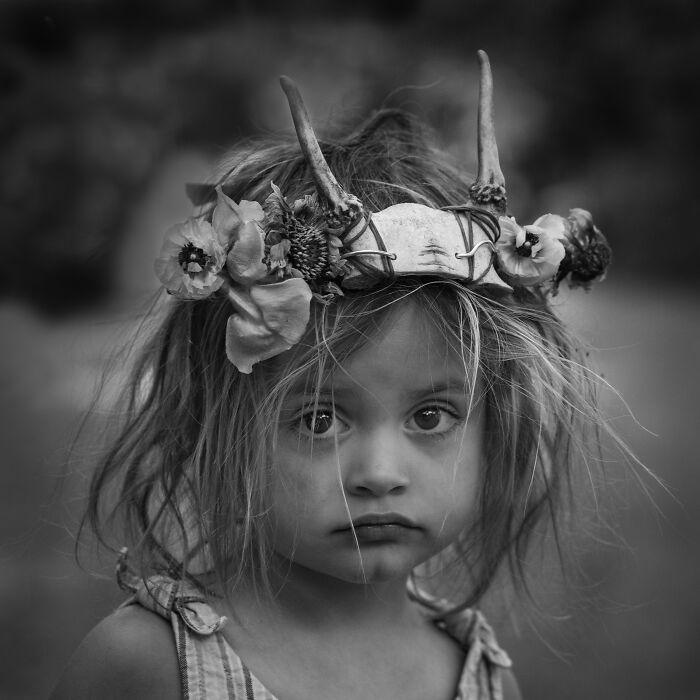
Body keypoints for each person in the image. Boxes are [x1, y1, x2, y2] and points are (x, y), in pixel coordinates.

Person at [51, 51, 614, 700]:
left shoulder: (484, 682)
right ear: (219, 424)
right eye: (320, 419)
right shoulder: (144, 669)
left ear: (497, 422)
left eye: (430, 416)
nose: (378, 473)